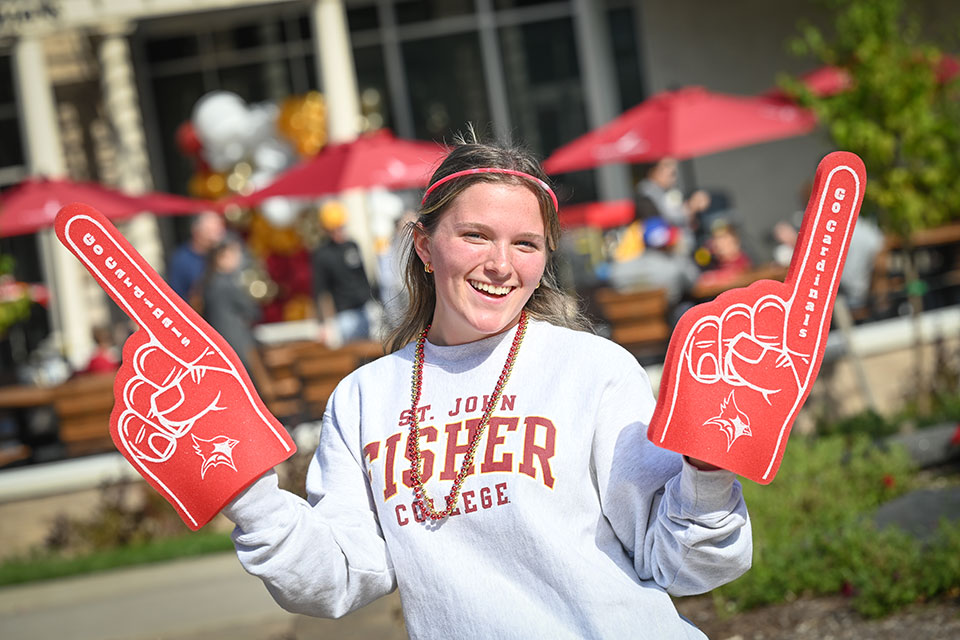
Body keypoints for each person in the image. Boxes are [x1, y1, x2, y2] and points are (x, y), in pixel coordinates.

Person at [222, 134, 751, 639]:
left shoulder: (593, 370)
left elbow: (682, 562)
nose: (501, 265)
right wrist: (244, 490)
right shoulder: (364, 398)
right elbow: (336, 576)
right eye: (475, 235)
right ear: (425, 246)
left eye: (526, 244)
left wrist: (708, 471)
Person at [311, 200, 376, 344]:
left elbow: (363, 277)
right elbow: (320, 289)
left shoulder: (352, 246)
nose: (339, 232)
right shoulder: (322, 254)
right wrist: (323, 323)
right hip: (344, 313)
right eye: (334, 229)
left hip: (365, 308)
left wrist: (373, 300)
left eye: (340, 227)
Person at [201, 238, 261, 376]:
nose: (237, 259)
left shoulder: (207, 283)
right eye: (233, 255)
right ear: (221, 258)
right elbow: (252, 311)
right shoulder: (226, 285)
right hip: (238, 344)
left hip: (221, 344)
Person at [634, 157, 711, 253]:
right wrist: (691, 207)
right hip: (664, 254)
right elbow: (667, 218)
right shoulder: (646, 194)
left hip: (681, 251)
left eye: (673, 168)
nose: (672, 170)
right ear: (653, 171)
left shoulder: (668, 190)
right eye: (667, 166)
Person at [167, 211, 226, 305]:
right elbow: (177, 296)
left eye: (219, 230)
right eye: (211, 231)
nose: (216, 237)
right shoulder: (182, 259)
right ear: (196, 231)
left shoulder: (222, 253)